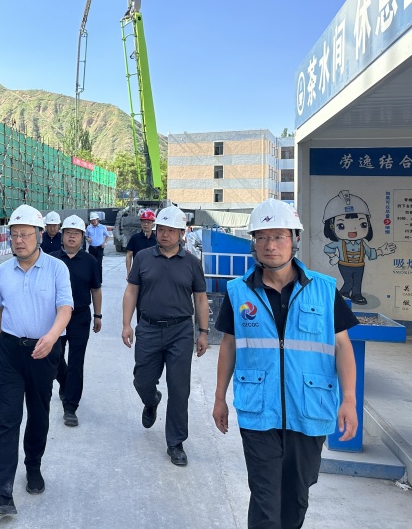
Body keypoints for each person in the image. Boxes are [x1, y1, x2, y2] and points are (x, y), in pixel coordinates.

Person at [213, 198, 358, 529]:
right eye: (262, 237)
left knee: (295, 498)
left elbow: (342, 346)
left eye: (278, 236)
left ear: (295, 239)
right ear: (254, 242)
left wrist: (349, 399)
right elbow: (229, 345)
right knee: (265, 500)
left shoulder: (324, 290)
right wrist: (219, 397)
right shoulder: (238, 292)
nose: (270, 245)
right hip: (258, 410)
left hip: (309, 410)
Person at [0, 204, 74, 517]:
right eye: (14, 234)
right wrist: (4, 340)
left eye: (25, 234)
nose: (18, 240)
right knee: (8, 420)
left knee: (38, 414)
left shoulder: (57, 269)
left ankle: (33, 465)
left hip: (44, 352)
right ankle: (0, 493)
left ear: (39, 235)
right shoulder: (4, 271)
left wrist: (52, 337)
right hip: (10, 354)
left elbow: (65, 308)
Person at [121, 205, 210, 467]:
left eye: (171, 230)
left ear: (182, 233)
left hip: (180, 331)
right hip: (148, 328)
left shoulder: (192, 263)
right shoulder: (143, 258)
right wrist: (126, 324)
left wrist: (203, 332)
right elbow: (131, 291)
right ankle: (151, 401)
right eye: (162, 229)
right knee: (142, 380)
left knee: (179, 388)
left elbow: (201, 298)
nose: (165, 234)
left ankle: (175, 442)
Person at [49, 215, 102, 427]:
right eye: (68, 233)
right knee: (54, 357)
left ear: (82, 237)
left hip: (80, 316)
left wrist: (98, 315)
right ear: (62, 236)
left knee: (76, 361)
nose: (72, 237)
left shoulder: (90, 262)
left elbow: (96, 290)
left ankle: (70, 407)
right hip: (55, 316)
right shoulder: (51, 260)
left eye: (76, 233)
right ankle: (64, 382)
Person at [125, 208, 157, 277]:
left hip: (154, 272)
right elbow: (129, 255)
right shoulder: (134, 238)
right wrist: (128, 272)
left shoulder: (157, 239)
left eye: (148, 222)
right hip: (138, 271)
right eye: (143, 222)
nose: (146, 224)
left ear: (153, 224)